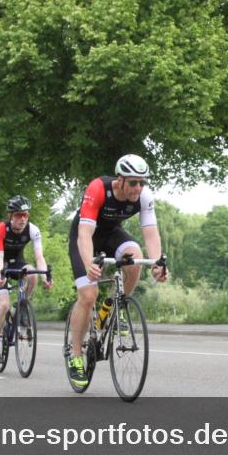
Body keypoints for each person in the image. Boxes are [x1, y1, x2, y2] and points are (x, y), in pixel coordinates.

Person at [66, 154, 169, 387]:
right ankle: (75, 355)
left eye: (142, 182)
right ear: (120, 179)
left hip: (112, 234)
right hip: (84, 237)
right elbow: (84, 234)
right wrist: (89, 263)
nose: (138, 187)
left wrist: (156, 264)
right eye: (133, 182)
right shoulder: (99, 188)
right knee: (88, 295)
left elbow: (150, 232)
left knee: (135, 257)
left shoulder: (143, 196)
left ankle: (116, 304)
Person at [0, 196, 52, 365]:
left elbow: (39, 256)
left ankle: (21, 306)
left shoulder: (33, 229)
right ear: (10, 216)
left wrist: (45, 277)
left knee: (32, 273)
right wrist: (0, 276)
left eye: (25, 215)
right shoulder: (1, 229)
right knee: (3, 305)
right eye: (18, 215)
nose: (22, 218)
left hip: (17, 261)